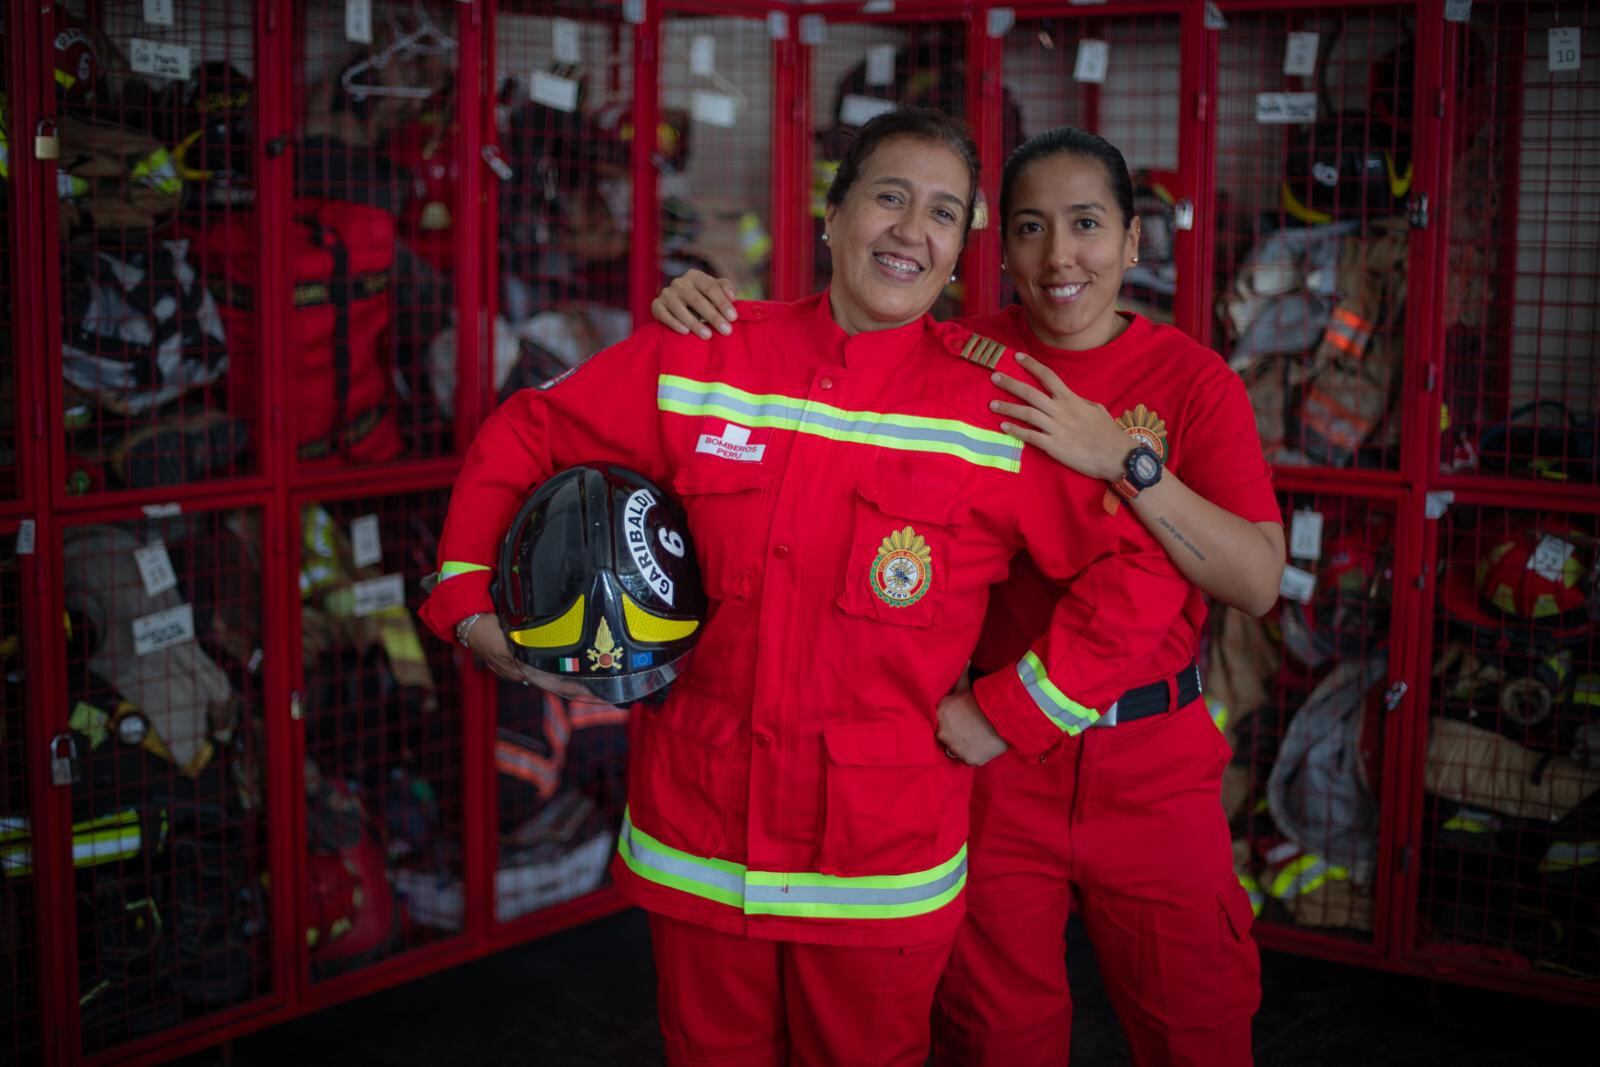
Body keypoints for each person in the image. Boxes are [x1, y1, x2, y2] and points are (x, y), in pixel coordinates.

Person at [419, 109, 1191, 1067]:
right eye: (889, 198)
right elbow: (530, 429)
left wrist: (1017, 710)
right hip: (700, 838)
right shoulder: (708, 351)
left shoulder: (999, 408)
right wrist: (465, 601)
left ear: (960, 253)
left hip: (878, 867)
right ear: (832, 215)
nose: (912, 230)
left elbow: (1141, 564)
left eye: (942, 214)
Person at [651, 126, 1282, 1065]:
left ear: (1135, 240)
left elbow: (1257, 581)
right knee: (996, 1033)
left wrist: (1123, 459)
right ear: (998, 244)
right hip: (983, 758)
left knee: (1196, 1025)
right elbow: (828, 357)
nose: (1059, 255)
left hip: (1150, 762)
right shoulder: (963, 353)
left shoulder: (1194, 384)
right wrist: (708, 313)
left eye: (1087, 224)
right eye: (1030, 228)